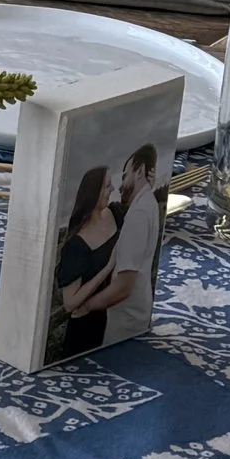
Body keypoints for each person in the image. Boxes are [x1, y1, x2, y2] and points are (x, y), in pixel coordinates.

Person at [77, 144, 164, 341]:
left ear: (140, 171)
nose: (120, 185)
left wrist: (87, 306)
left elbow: (124, 287)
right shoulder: (146, 204)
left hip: (125, 325)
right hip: (133, 319)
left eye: (125, 175)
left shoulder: (139, 213)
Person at [48, 158, 120, 359]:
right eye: (107, 185)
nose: (112, 188)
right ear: (93, 192)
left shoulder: (115, 214)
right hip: (85, 330)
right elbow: (70, 303)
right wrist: (107, 268)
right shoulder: (76, 245)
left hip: (114, 318)